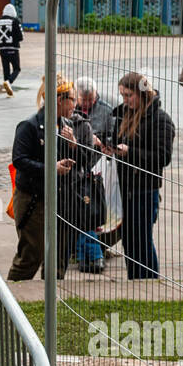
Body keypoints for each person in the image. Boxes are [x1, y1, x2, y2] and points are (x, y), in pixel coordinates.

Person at [8, 77, 99, 280]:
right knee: (32, 253)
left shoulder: (70, 126)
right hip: (34, 198)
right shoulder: (29, 125)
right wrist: (51, 169)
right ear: (59, 99)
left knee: (59, 256)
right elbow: (20, 160)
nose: (75, 104)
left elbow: (87, 161)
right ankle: (13, 295)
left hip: (64, 198)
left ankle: (52, 299)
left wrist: (74, 144)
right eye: (72, 99)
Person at [95, 72, 174, 280]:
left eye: (129, 95)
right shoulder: (122, 114)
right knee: (129, 240)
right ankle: (135, 281)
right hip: (123, 186)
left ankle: (148, 280)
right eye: (122, 95)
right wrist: (107, 146)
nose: (125, 100)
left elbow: (162, 157)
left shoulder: (160, 119)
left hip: (145, 188)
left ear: (142, 93)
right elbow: (114, 137)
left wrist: (130, 152)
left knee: (142, 239)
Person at [72, 75, 116, 272]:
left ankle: (89, 256)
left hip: (96, 169)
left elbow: (113, 137)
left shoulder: (106, 110)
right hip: (75, 167)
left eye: (91, 99)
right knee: (82, 212)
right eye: (84, 99)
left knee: (88, 212)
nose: (88, 103)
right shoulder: (70, 109)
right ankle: (90, 255)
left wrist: (101, 142)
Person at [0, 3, 24, 97]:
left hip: (2, 49)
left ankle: (8, 90)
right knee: (16, 68)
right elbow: (20, 36)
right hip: (13, 48)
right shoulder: (15, 21)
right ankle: (9, 82)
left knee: (6, 69)